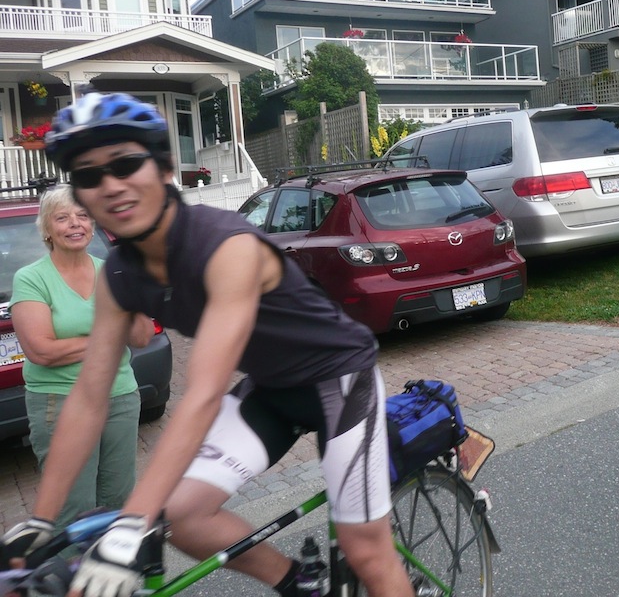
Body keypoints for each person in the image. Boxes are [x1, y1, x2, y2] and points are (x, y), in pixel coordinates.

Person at [0, 92, 412, 597]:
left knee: (365, 551)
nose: (110, 185)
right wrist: (41, 521)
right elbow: (88, 396)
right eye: (88, 175)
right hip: (272, 388)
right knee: (181, 516)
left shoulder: (225, 247)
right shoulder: (120, 275)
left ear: (164, 168)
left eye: (126, 164)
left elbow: (201, 394)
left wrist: (131, 524)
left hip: (339, 379)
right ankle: (300, 581)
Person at [10, 185, 153, 531]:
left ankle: (110, 564)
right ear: (47, 229)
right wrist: (111, 338)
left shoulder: (113, 271)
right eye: (62, 218)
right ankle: (70, 567)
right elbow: (42, 351)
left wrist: (133, 285)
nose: (75, 224)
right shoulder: (31, 278)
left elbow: (141, 336)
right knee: (72, 509)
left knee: (118, 501)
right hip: (60, 400)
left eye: (83, 215)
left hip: (119, 396)